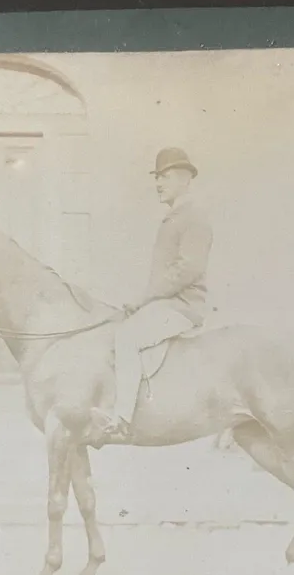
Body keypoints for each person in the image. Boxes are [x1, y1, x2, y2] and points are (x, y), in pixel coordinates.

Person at [90, 147, 213, 441]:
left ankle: (121, 419)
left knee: (127, 338)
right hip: (167, 305)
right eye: (157, 177)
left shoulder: (194, 217)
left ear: (184, 178)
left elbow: (189, 269)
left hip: (184, 307)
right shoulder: (175, 217)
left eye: (165, 176)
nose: (158, 183)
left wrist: (145, 299)